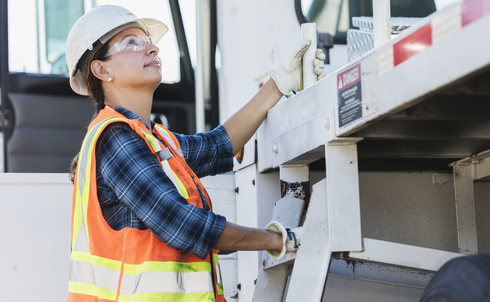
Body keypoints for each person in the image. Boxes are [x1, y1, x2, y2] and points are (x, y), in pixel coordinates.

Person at [65, 5, 325, 302]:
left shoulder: (154, 139)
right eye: (132, 43)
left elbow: (219, 145)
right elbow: (183, 224)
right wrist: (281, 240)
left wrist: (279, 83)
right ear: (101, 69)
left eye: (148, 41)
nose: (151, 48)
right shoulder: (116, 139)